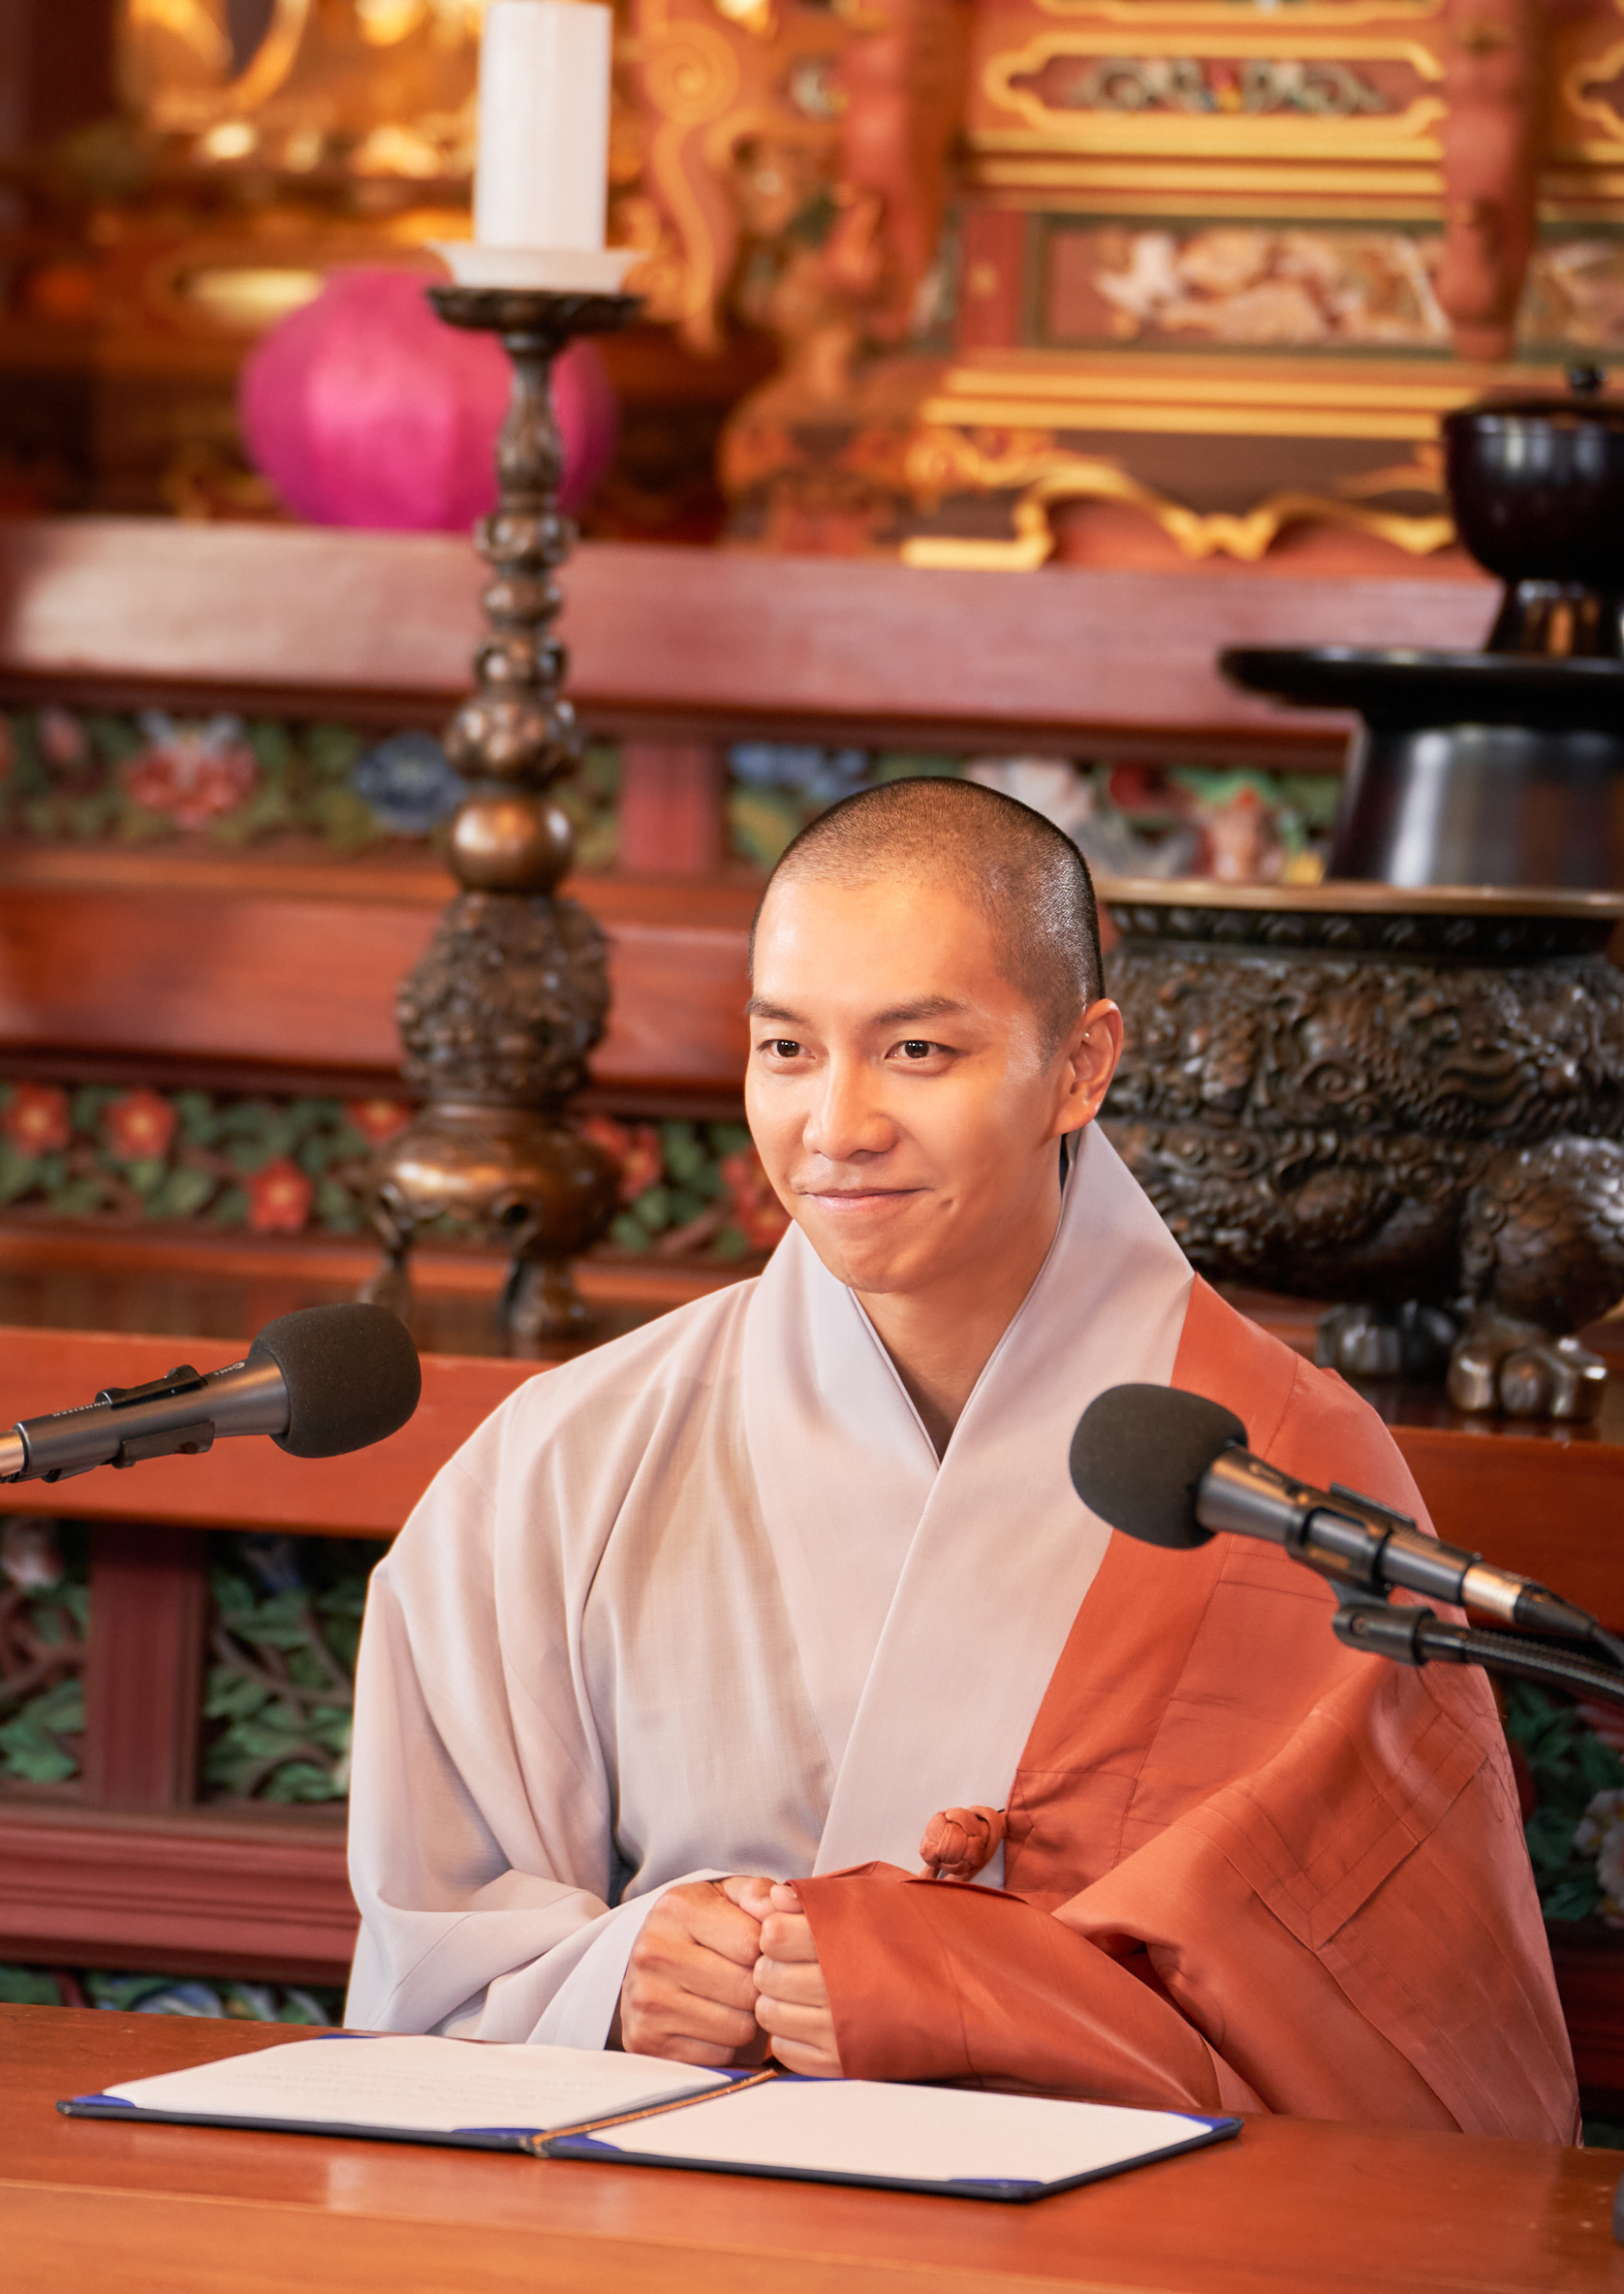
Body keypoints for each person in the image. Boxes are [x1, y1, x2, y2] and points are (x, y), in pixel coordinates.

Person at [345, 777, 1577, 2138]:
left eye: (918, 1052)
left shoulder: (1281, 1473)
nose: (836, 1127)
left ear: (1081, 1066)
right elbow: (430, 1962)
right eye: (786, 1049)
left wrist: (944, 1985)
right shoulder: (567, 1459)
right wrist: (616, 1976)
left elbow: (1387, 2040)